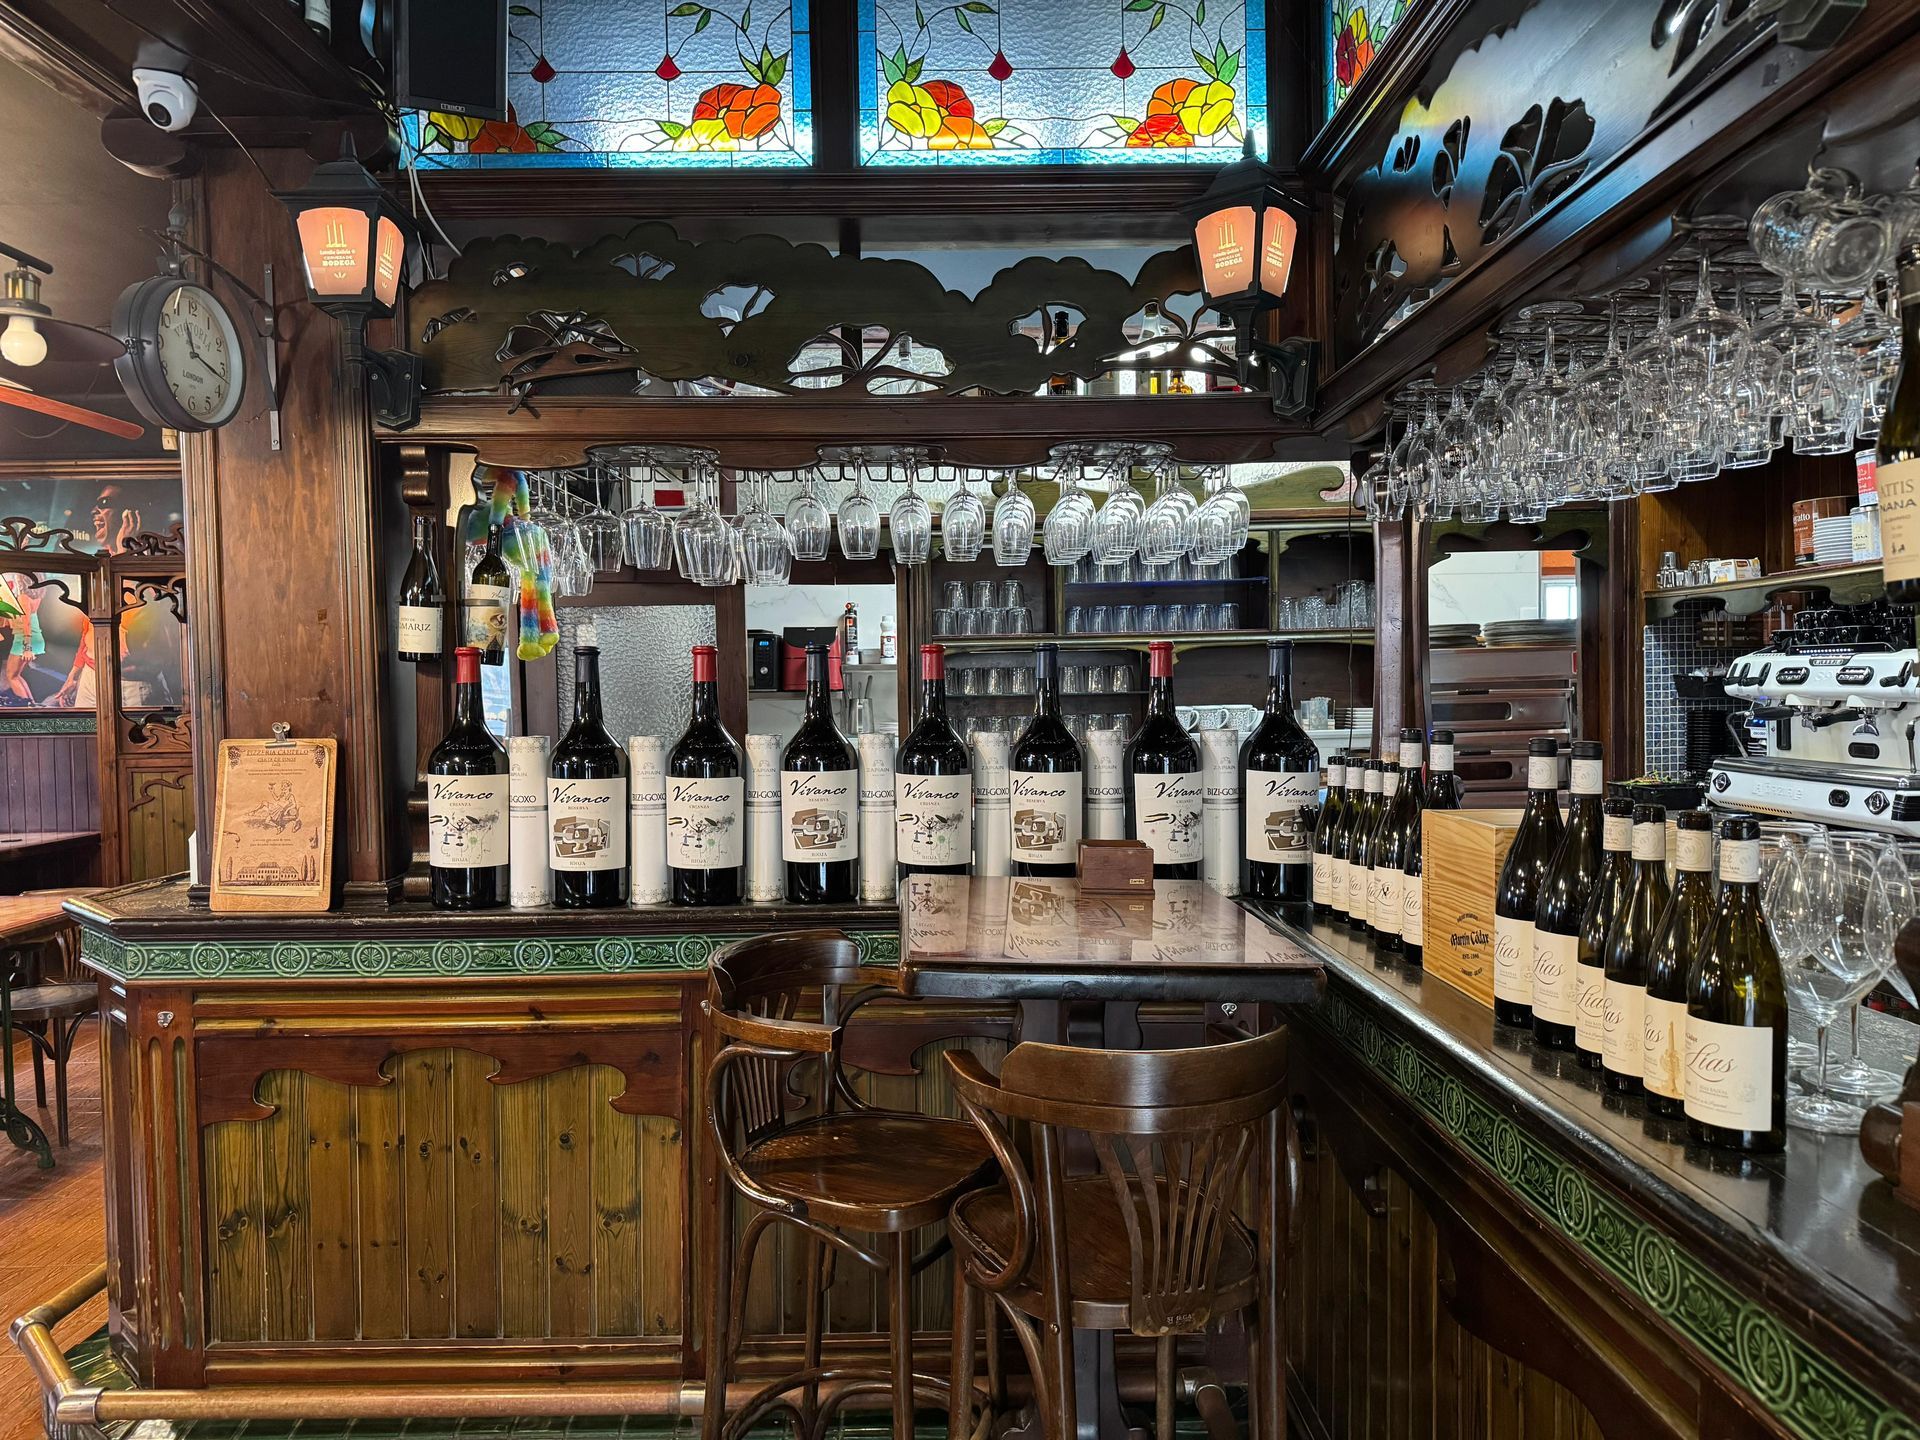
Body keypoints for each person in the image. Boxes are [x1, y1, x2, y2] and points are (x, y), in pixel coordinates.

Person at [2, 571, 44, 705]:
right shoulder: (35, 598)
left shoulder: (23, 597)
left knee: (10, 675)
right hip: (31, 637)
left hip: (25, 639)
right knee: (15, 675)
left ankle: (27, 706)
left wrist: (27, 648)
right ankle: (32, 705)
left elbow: (26, 622)